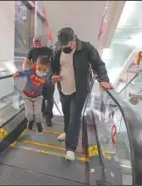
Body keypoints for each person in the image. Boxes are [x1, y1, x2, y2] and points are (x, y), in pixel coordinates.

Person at [51, 27, 113, 161]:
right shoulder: (58, 50)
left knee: (74, 116)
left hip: (79, 90)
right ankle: (68, 133)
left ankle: (70, 148)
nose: (65, 48)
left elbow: (99, 65)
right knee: (67, 114)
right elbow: (53, 68)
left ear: (74, 39)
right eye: (63, 46)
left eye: (67, 45)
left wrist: (103, 80)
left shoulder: (86, 48)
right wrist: (53, 76)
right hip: (63, 89)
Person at [14, 56, 54, 133]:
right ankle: (30, 121)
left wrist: (52, 82)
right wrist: (17, 74)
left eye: (44, 70)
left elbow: (48, 83)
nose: (41, 71)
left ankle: (39, 123)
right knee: (29, 113)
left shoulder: (45, 76)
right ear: (36, 64)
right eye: (39, 69)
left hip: (38, 96)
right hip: (27, 96)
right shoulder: (30, 71)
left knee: (37, 113)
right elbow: (22, 73)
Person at [22, 36, 54, 127]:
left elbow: (54, 62)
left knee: (50, 98)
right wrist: (25, 71)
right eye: (35, 44)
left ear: (42, 42)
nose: (37, 45)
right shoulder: (32, 51)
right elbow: (26, 61)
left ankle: (48, 117)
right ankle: (41, 115)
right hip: (37, 78)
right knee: (40, 97)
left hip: (48, 76)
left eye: (38, 43)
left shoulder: (49, 51)